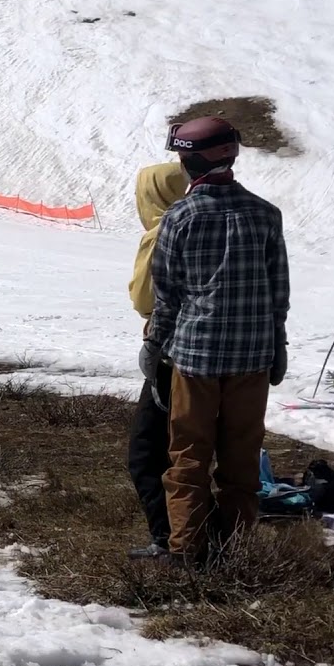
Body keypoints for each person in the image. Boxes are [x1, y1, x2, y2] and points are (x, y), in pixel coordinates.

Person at [142, 116, 290, 566]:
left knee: (188, 457)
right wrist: (278, 345)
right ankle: (235, 553)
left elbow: (167, 296)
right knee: (241, 461)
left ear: (193, 161)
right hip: (253, 359)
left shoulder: (179, 217)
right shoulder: (265, 214)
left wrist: (153, 347)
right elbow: (278, 291)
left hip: (196, 359)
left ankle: (187, 553)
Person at [125, 160, 187, 559]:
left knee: (146, 451)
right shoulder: (195, 225)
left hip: (169, 353)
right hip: (205, 355)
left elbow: (144, 298)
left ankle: (169, 538)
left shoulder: (160, 235)